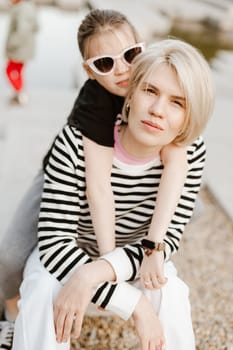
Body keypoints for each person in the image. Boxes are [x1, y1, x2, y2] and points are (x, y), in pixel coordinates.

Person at [11, 38, 214, 350]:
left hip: (131, 259)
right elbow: (53, 244)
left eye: (178, 102)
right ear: (130, 93)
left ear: (190, 115)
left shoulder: (191, 153)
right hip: (69, 254)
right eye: (150, 91)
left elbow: (167, 240)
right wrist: (133, 304)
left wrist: (95, 275)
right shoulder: (76, 142)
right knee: (41, 288)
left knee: (171, 291)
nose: (158, 110)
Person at [4, 0, 39, 105]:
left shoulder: (22, 9)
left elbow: (22, 30)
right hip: (27, 47)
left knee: (9, 70)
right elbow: (37, 27)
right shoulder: (30, 7)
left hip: (19, 48)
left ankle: (21, 94)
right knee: (18, 71)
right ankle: (18, 94)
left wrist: (11, 44)